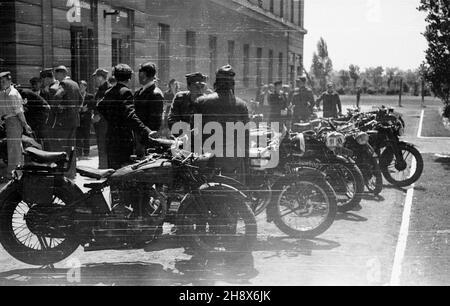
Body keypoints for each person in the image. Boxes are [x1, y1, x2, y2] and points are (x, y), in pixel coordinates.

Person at [193, 65, 250, 184]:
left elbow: (195, 135)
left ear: (216, 83)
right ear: (232, 84)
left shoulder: (202, 102)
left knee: (207, 197)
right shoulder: (241, 105)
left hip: (208, 161)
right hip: (232, 162)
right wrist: (246, 164)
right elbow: (245, 138)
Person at [97, 64, 156, 170]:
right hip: (123, 139)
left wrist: (112, 119)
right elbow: (130, 115)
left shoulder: (109, 91)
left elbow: (100, 106)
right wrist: (146, 131)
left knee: (113, 170)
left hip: (111, 136)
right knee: (123, 171)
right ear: (129, 78)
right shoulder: (126, 92)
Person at [0, 71, 33, 180]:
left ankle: (12, 174)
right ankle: (19, 173)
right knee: (16, 147)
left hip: (14, 121)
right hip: (8, 122)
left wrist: (25, 125)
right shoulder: (4, 93)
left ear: (10, 81)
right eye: (0, 81)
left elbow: (19, 112)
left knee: (13, 148)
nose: (1, 82)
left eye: (4, 81)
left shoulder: (13, 94)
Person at [53, 65, 83, 179]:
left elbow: (56, 97)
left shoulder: (63, 84)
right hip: (74, 120)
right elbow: (80, 100)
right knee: (71, 146)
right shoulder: (75, 84)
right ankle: (72, 171)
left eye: (56, 74)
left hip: (64, 121)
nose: (55, 76)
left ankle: (64, 172)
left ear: (61, 74)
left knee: (63, 146)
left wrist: (59, 107)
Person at [133, 62, 165, 157]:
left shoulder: (155, 94)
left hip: (146, 139)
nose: (138, 77)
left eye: (140, 74)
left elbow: (155, 122)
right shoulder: (139, 92)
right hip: (138, 136)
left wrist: (147, 138)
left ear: (145, 75)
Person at [92, 68, 110, 169]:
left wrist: (99, 116)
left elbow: (107, 107)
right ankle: (102, 165)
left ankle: (104, 167)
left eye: (96, 78)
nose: (95, 80)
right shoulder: (100, 90)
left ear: (100, 77)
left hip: (105, 123)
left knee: (104, 145)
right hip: (99, 123)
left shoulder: (108, 89)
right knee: (101, 145)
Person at [40, 68, 60, 151]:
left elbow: (50, 107)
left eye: (43, 80)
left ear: (47, 79)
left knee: (51, 145)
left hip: (51, 121)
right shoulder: (58, 85)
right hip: (57, 121)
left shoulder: (52, 89)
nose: (42, 82)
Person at [76, 81, 95, 158]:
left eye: (82, 86)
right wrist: (81, 109)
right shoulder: (76, 96)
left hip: (87, 118)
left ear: (85, 87)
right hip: (79, 117)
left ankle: (86, 152)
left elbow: (92, 106)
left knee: (86, 135)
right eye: (79, 86)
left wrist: (87, 110)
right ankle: (79, 152)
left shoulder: (90, 96)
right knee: (78, 135)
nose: (81, 88)